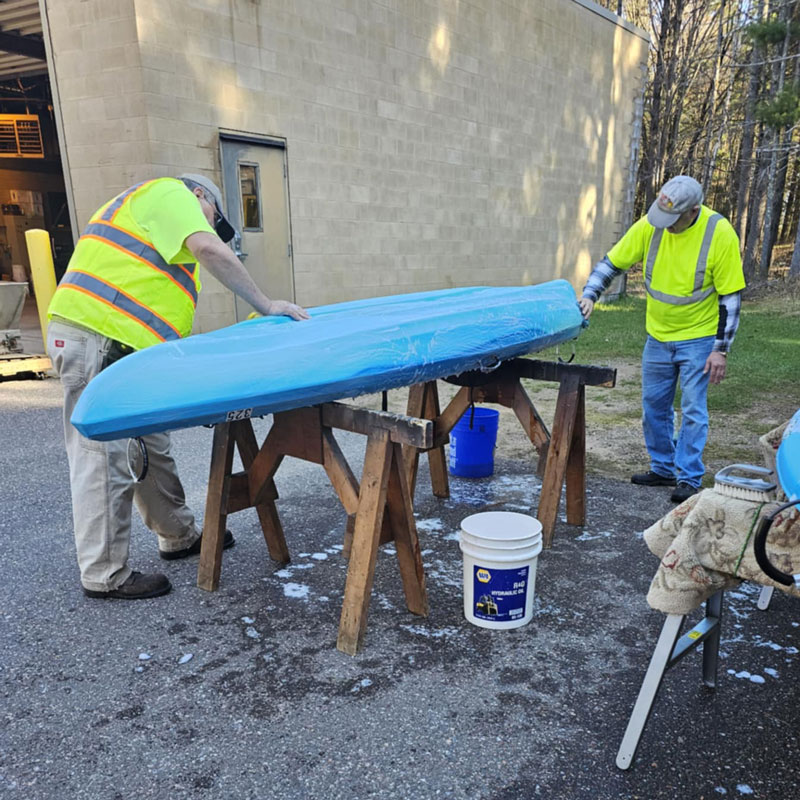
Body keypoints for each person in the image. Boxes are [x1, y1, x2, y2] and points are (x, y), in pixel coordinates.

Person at [46, 174, 309, 600]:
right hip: (98, 337)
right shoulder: (170, 192)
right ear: (200, 195)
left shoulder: (155, 229)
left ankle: (178, 535)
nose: (213, 229)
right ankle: (103, 573)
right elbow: (209, 248)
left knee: (150, 443)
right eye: (216, 220)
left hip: (124, 347)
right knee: (103, 454)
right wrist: (267, 304)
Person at [579, 175, 745, 504]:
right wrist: (590, 294)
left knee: (693, 409)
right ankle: (663, 467)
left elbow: (730, 298)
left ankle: (688, 477)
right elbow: (612, 262)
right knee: (654, 407)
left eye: (673, 219)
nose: (665, 225)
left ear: (693, 210)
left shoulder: (718, 233)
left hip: (699, 338)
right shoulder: (652, 224)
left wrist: (720, 349)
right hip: (657, 335)